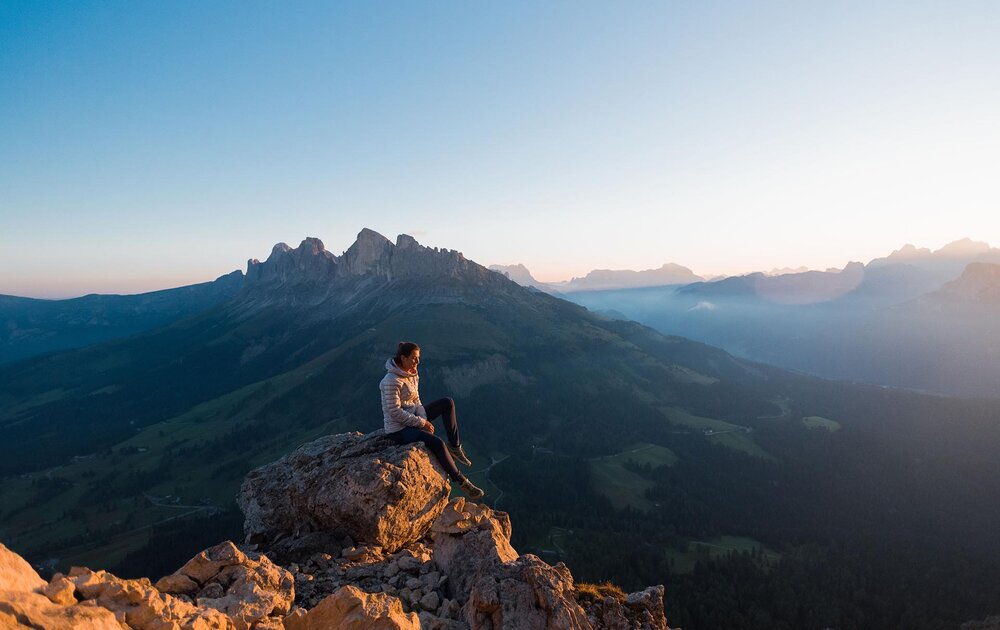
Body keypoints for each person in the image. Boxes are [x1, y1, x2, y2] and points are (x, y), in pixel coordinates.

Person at [380, 341, 485, 499]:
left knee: (447, 403)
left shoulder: (412, 373)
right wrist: (422, 423)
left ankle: (455, 447)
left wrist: (422, 417)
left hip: (414, 419)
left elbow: (417, 400)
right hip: (399, 430)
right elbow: (394, 412)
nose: (418, 362)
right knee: (437, 443)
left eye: (418, 358)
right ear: (403, 357)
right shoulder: (391, 381)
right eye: (414, 358)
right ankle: (462, 481)